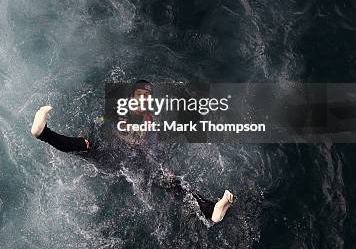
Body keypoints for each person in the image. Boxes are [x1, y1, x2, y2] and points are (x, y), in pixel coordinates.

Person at [30, 81, 234, 225]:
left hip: (133, 164)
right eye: (140, 96)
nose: (143, 100)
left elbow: (154, 146)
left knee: (171, 182)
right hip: (111, 157)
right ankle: (42, 132)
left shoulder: (151, 123)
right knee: (84, 145)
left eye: (147, 98)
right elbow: (99, 125)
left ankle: (212, 211)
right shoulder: (116, 115)